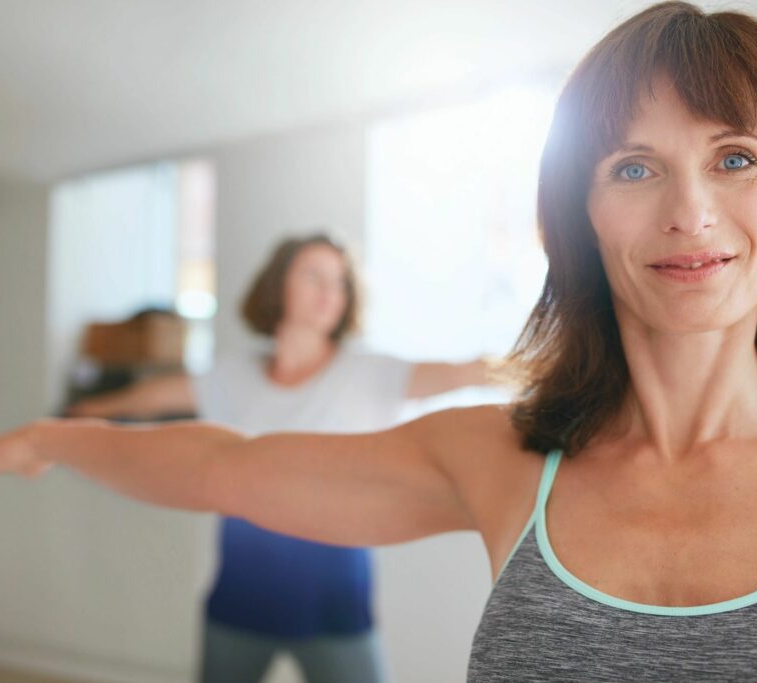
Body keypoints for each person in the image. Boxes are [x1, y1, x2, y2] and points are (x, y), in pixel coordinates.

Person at [0, 3, 757, 681]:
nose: (688, 211)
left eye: (733, 157)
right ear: (583, 210)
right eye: (634, 168)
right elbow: (223, 461)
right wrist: (49, 439)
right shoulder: (500, 459)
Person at [66, 233, 492, 683]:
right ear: (278, 287)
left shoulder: (368, 374)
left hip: (336, 603)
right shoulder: (234, 376)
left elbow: (464, 372)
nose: (330, 292)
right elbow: (156, 397)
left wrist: (544, 367)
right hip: (240, 597)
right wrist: (82, 416)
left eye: (340, 282)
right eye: (314, 276)